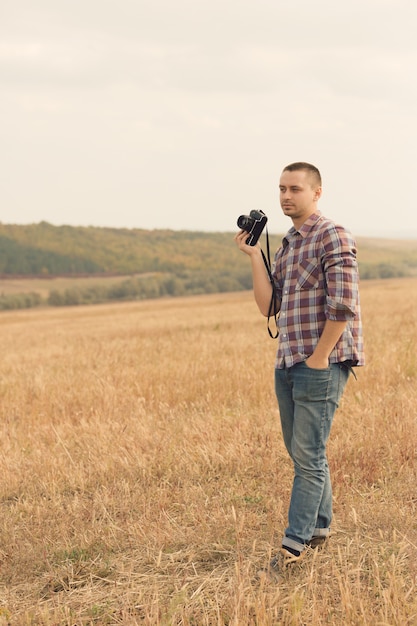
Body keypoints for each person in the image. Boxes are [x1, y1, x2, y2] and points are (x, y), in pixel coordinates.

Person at [234, 162, 364, 574]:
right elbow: (267, 306)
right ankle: (320, 529)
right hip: (288, 360)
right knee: (303, 453)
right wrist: (255, 256)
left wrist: (321, 356)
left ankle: (293, 549)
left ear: (316, 193)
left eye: (295, 189)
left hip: (318, 362)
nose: (286, 196)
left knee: (307, 456)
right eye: (281, 189)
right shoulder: (288, 242)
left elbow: (343, 304)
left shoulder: (332, 235)